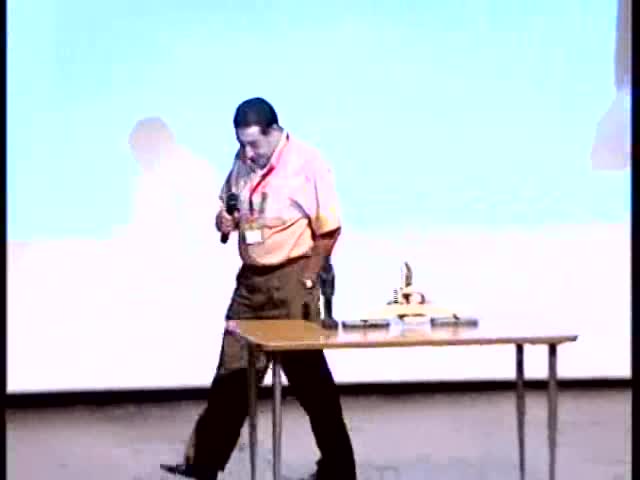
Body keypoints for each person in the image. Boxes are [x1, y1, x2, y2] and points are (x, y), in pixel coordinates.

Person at [161, 98, 357, 480]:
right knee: (232, 375)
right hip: (250, 283)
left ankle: (338, 467)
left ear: (273, 131)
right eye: (241, 144)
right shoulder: (243, 160)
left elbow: (329, 230)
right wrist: (224, 220)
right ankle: (204, 463)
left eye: (253, 143)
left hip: (291, 280)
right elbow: (230, 206)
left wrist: (307, 278)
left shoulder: (309, 163)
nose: (247, 152)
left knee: (310, 381)